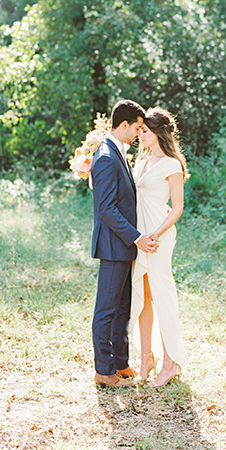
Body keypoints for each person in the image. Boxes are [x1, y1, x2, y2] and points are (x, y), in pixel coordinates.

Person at [90, 99, 158, 388]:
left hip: (124, 245)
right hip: (113, 245)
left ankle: (120, 361)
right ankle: (104, 370)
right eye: (137, 128)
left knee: (123, 307)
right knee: (106, 308)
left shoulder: (118, 153)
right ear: (125, 124)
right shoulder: (105, 156)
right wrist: (137, 237)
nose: (138, 134)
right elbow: (106, 208)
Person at [131, 107, 187, 387]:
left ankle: (171, 362)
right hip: (140, 236)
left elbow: (177, 208)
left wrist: (155, 234)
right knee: (142, 296)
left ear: (158, 132)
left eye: (144, 130)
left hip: (159, 237)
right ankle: (146, 358)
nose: (140, 134)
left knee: (162, 296)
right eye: (139, 130)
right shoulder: (141, 162)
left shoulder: (171, 164)